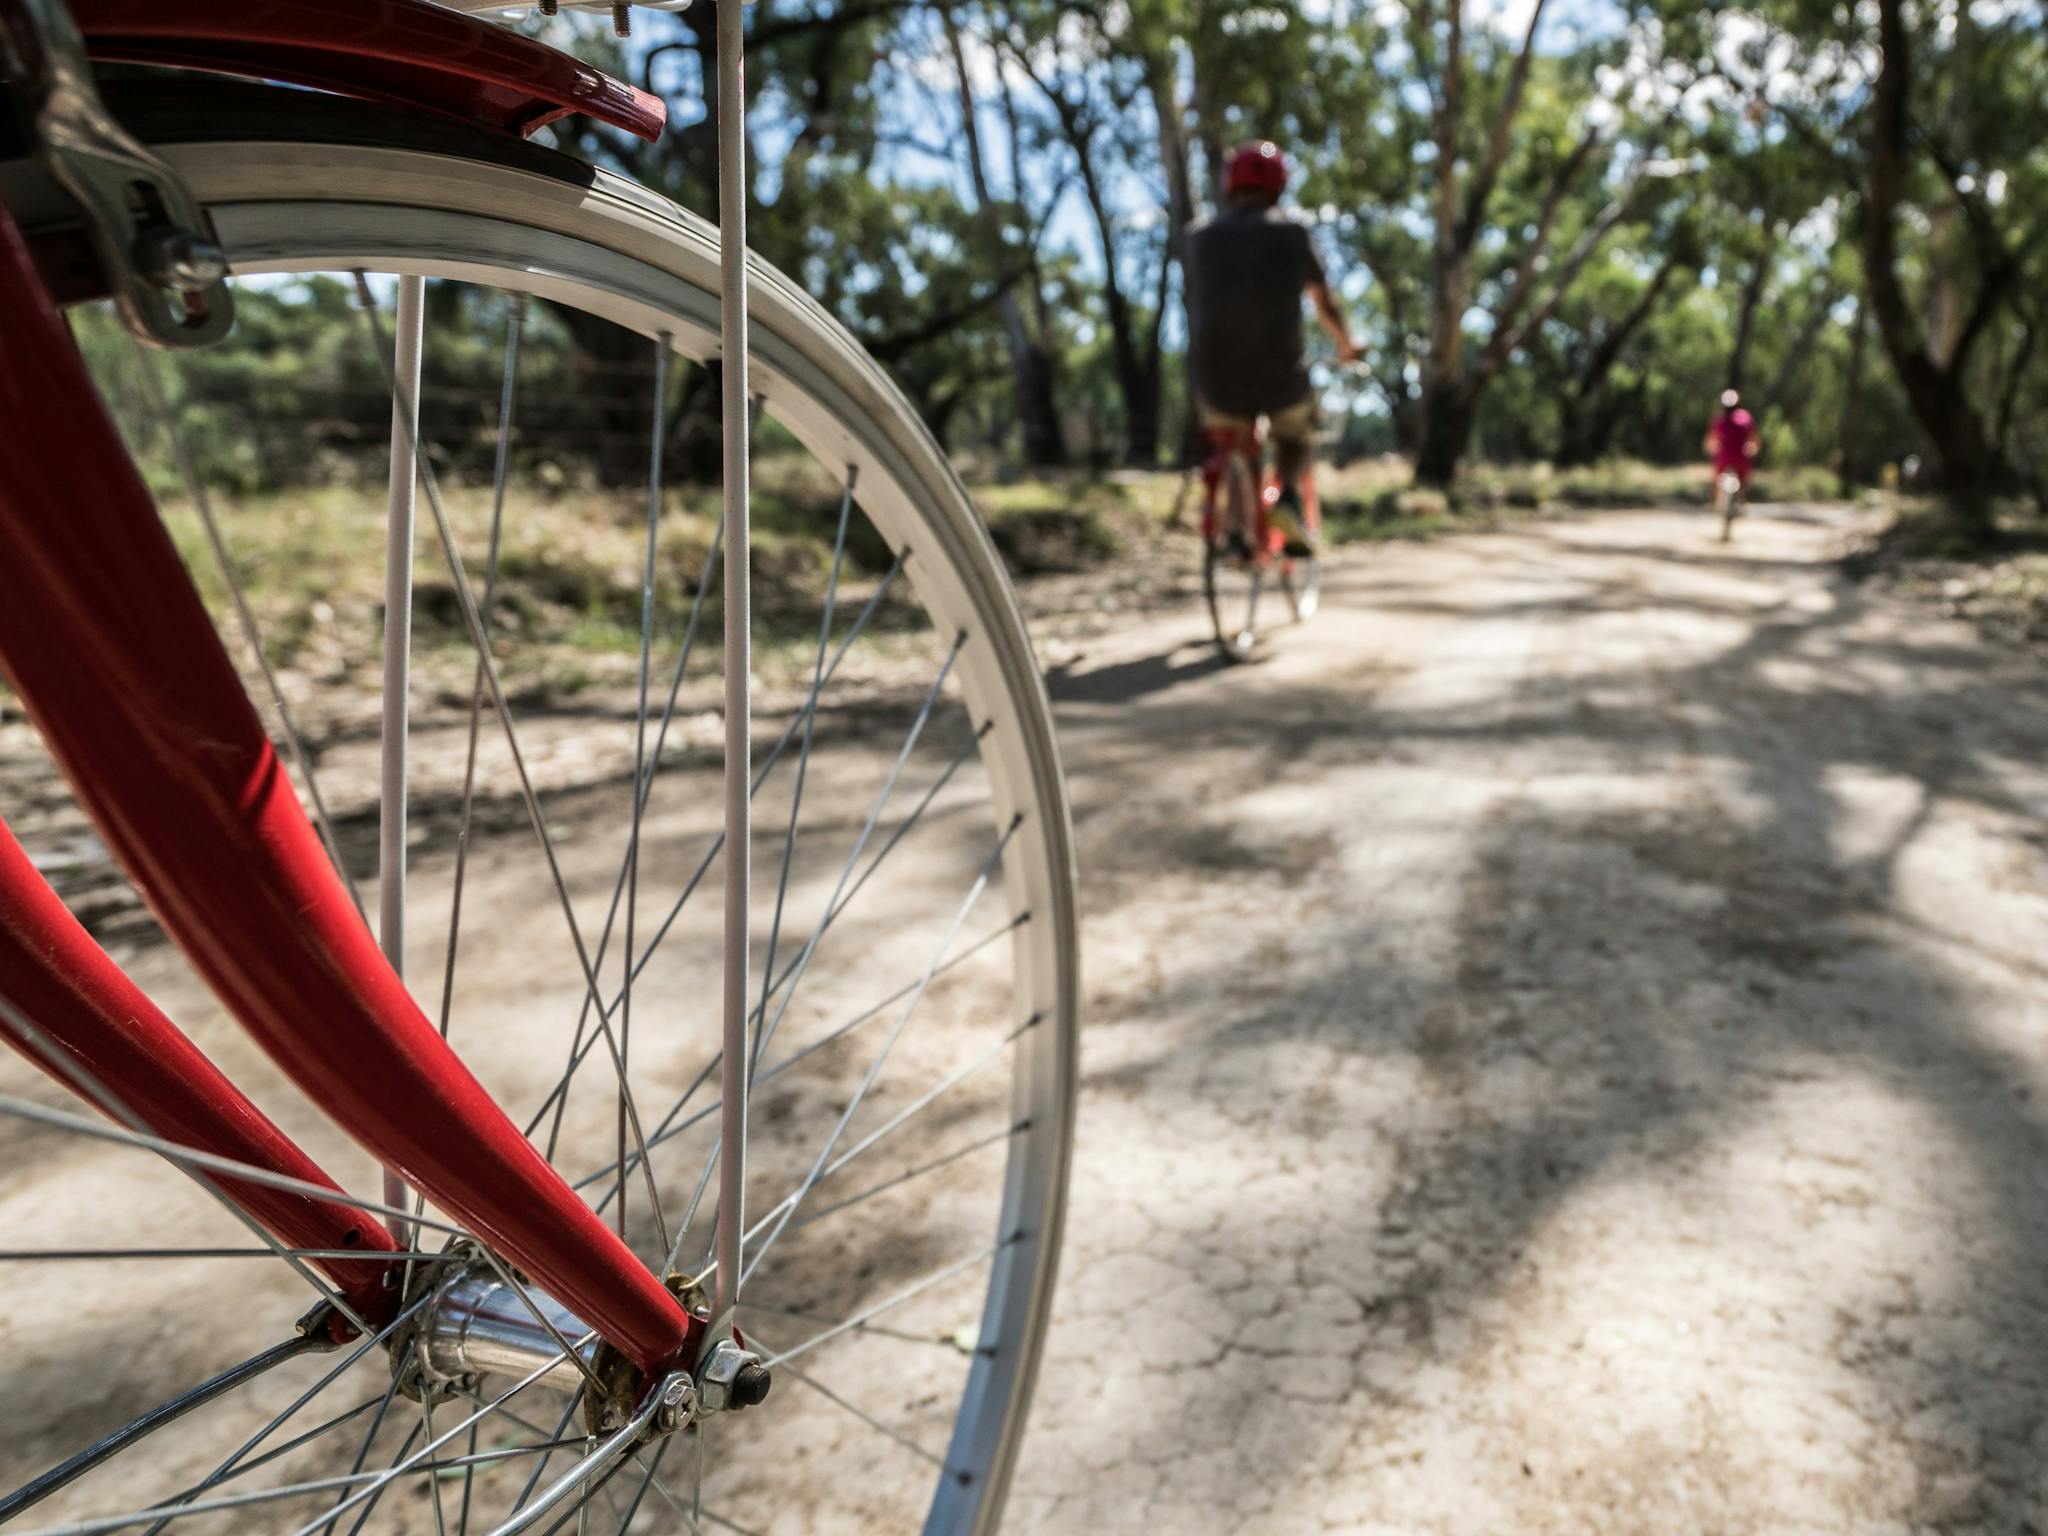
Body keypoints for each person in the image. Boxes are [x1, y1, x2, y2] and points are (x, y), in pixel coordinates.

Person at [1184, 140, 1359, 556]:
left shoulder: (1198, 237)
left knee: (1239, 440)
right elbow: (1324, 303)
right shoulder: (1291, 231)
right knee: (1298, 437)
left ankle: (1239, 535)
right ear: (1280, 186)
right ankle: (1287, 502)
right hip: (1280, 377)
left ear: (1230, 185)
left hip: (1213, 380)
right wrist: (1347, 346)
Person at [1705, 387, 1759, 540]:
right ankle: (1742, 500)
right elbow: (1753, 440)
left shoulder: (1719, 419)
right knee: (1743, 481)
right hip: (1741, 459)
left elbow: (1711, 440)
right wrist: (1753, 449)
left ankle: (1714, 501)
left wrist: (1711, 448)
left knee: (1716, 479)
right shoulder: (1745, 418)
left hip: (1724, 458)